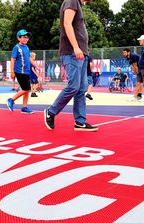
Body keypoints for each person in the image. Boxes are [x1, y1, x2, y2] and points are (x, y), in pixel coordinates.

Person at [44, 0, 98, 132]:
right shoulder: (72, 1)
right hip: (72, 52)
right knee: (74, 86)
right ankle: (51, 112)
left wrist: (85, 50)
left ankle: (80, 122)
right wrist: (75, 47)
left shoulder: (78, 3)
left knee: (81, 89)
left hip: (82, 54)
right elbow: (67, 24)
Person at [6, 29, 34, 114]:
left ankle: (24, 107)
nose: (26, 39)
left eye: (27, 37)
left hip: (27, 72)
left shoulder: (26, 47)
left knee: (27, 89)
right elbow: (12, 59)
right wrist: (12, 71)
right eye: (24, 37)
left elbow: (29, 58)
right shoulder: (16, 47)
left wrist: (35, 65)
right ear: (19, 38)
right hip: (20, 71)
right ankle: (11, 100)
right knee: (26, 89)